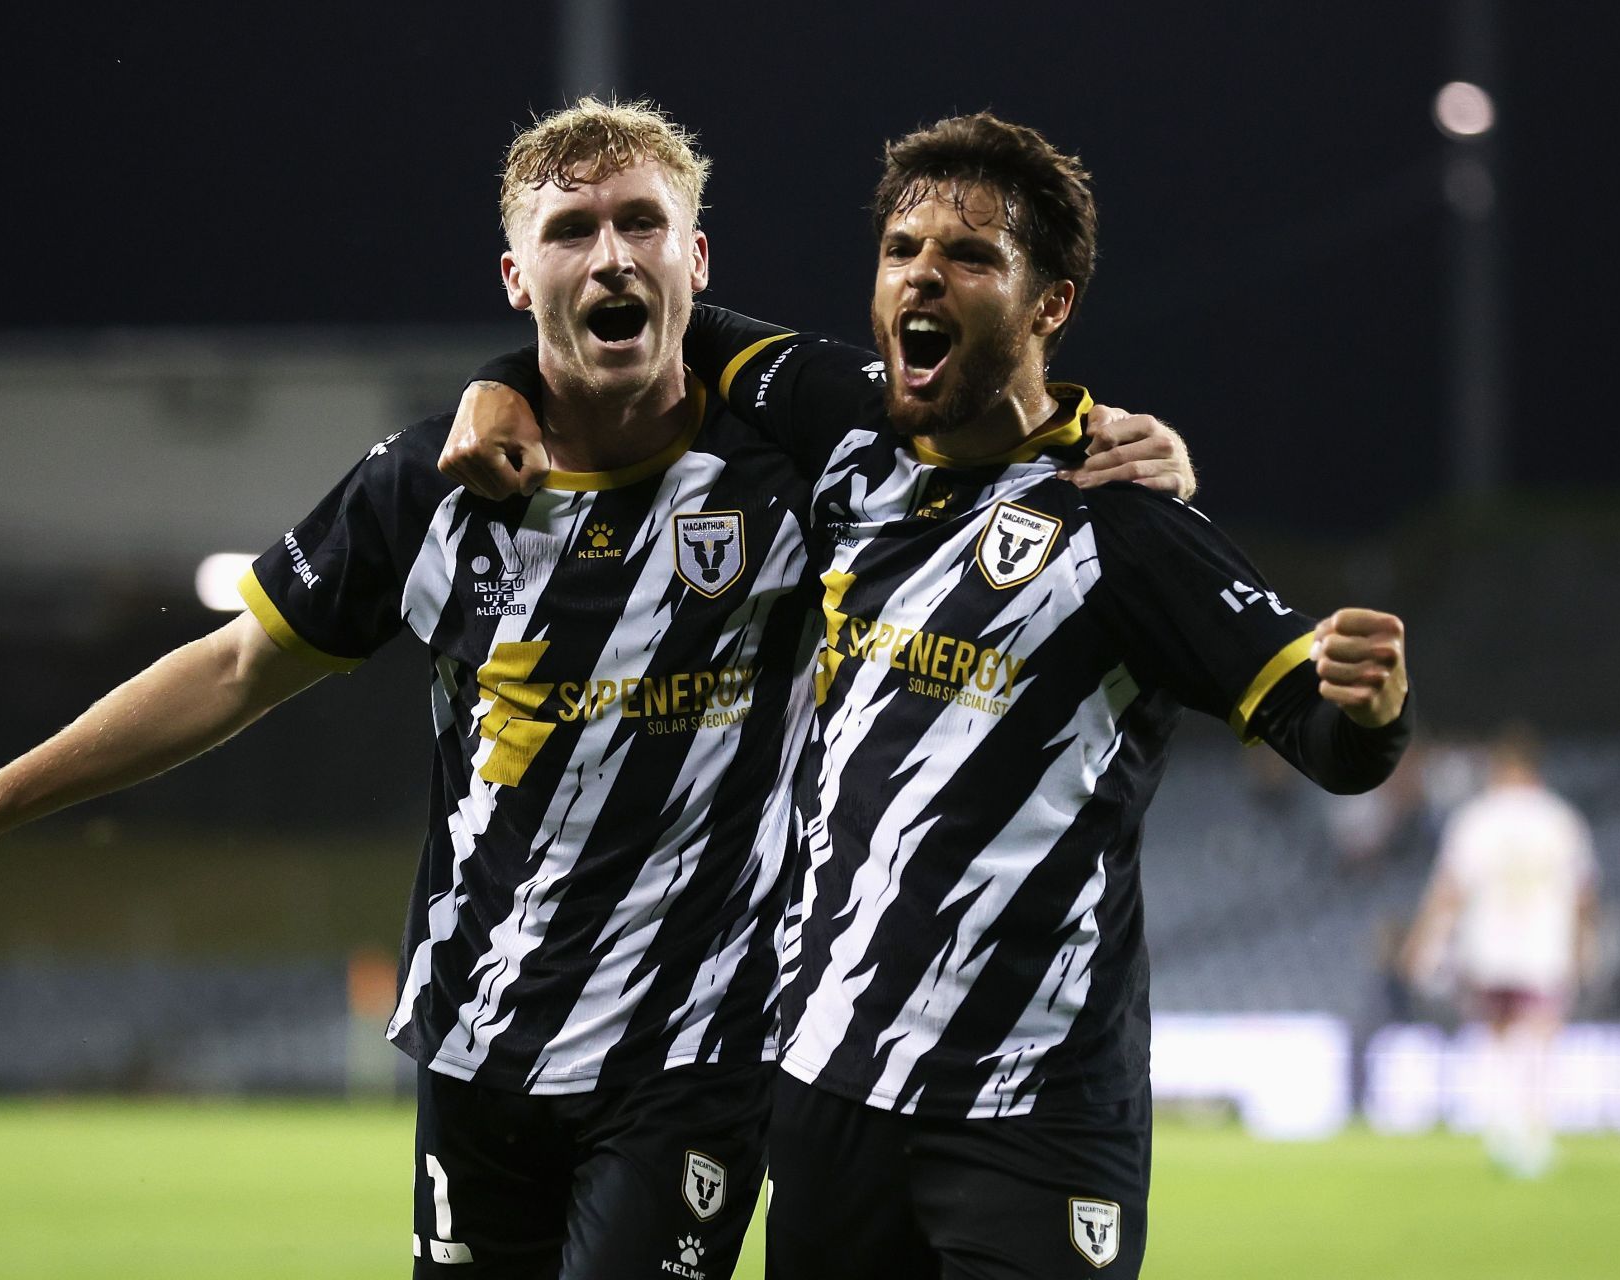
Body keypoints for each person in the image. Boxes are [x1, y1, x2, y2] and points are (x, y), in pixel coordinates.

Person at [0, 100, 1193, 1279]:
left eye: (644, 226)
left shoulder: (802, 458)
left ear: (695, 261)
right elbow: (237, 666)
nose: (612, 255)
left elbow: (977, 415)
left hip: (693, 1059)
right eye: (572, 231)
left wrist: (1124, 444)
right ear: (513, 274)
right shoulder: (426, 487)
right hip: (476, 1051)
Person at [445, 111, 1414, 1279]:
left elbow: (1321, 733)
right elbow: (644, 319)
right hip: (825, 1090)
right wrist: (497, 382)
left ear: (1048, 304)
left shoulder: (1126, 521)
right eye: (901, 248)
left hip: (1031, 1113)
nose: (921, 274)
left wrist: (1365, 705)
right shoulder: (848, 438)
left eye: (968, 256)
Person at [1401, 724, 1598, 1178]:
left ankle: (1500, 1130)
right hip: (1543, 949)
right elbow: (1584, 895)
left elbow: (1449, 891)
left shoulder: (1477, 816)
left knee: (1495, 1038)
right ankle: (1536, 1135)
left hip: (1487, 946)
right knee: (1540, 1040)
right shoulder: (1560, 818)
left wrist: (1422, 943)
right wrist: (1586, 949)